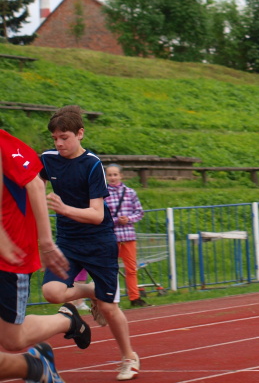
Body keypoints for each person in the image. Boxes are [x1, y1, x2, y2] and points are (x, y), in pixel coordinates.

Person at [39, 106, 141, 381]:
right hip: (68, 241)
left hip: (99, 242)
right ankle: (90, 291)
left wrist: (63, 208)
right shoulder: (47, 159)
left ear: (80, 134)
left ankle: (129, 356)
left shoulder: (93, 164)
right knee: (51, 292)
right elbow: (31, 182)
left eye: (64, 137)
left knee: (109, 308)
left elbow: (96, 215)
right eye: (55, 138)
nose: (59, 143)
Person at [1, 129, 92, 382]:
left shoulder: (5, 144)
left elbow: (35, 182)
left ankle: (66, 321)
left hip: (11, 256)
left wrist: (46, 243)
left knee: (12, 339)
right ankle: (36, 364)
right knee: (10, 338)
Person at [104, 164, 149, 308]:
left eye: (115, 174)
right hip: (111, 236)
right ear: (106, 176)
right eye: (110, 175)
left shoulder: (130, 192)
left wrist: (128, 219)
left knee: (131, 269)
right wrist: (116, 220)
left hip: (128, 236)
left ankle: (134, 297)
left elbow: (139, 212)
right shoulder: (103, 194)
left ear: (121, 176)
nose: (112, 178)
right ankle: (111, 298)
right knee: (110, 269)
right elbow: (101, 216)